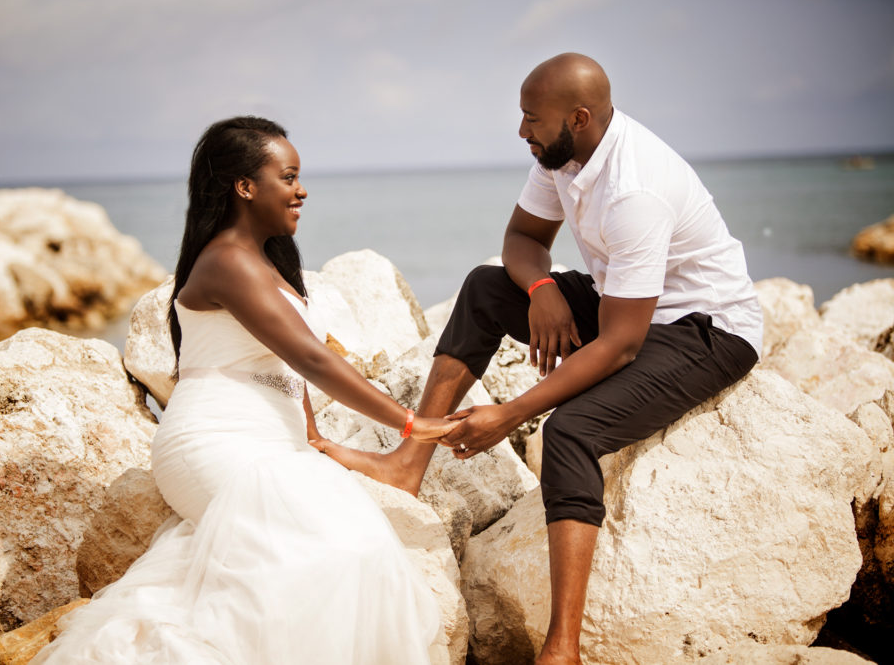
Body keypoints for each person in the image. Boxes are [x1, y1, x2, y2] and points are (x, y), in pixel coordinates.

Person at [322, 53, 763, 665]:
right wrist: (543, 290)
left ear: (578, 118)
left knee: (571, 431)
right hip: (628, 307)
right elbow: (523, 241)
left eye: (532, 118)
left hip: (703, 330)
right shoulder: (562, 155)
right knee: (484, 286)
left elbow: (621, 344)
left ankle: (563, 649)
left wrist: (508, 414)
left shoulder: (634, 190)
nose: (522, 131)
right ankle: (408, 463)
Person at [31, 116, 453, 664]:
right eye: (289, 176)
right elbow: (309, 354)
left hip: (274, 448)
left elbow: (286, 361)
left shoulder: (266, 261)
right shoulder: (227, 260)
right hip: (214, 442)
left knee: (363, 549)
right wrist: (410, 424)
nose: (301, 190)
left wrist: (313, 434)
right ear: (245, 186)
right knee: (322, 558)